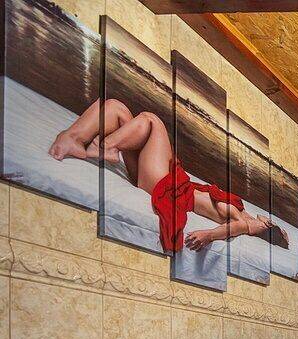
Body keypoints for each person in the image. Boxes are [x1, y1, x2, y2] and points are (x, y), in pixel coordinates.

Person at [48, 98, 283, 253]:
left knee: (151, 120)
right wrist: (273, 229)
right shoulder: (245, 212)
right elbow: (253, 221)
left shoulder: (246, 222)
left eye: (270, 223)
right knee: (118, 109)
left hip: (167, 188)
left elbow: (236, 227)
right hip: (167, 179)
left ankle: (105, 146)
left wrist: (208, 236)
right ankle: (74, 138)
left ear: (266, 226)